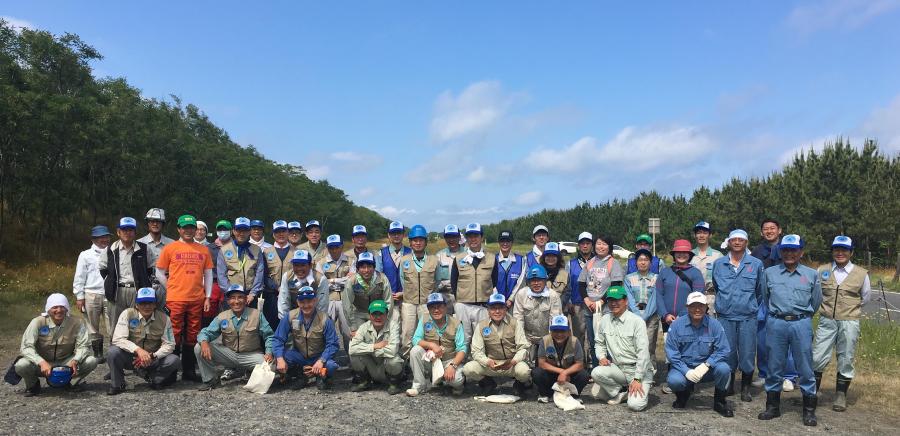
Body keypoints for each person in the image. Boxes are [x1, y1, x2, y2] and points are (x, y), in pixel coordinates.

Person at [758, 234, 822, 426]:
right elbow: (765, 296)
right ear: (780, 251)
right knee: (774, 364)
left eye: (794, 250)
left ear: (801, 252)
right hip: (776, 322)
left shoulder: (811, 275)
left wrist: (802, 318)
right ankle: (773, 407)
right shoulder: (770, 273)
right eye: (785, 250)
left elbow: (816, 301)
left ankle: (809, 410)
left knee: (804, 366)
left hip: (801, 323)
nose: (789, 254)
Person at [813, 235, 871, 412]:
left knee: (846, 357)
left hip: (849, 321)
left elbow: (865, 298)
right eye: (836, 249)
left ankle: (840, 395)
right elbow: (815, 293)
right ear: (832, 251)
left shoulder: (861, 274)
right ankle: (811, 392)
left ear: (851, 252)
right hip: (826, 320)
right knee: (817, 356)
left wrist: (849, 310)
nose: (840, 253)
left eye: (844, 250)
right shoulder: (822, 270)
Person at [155, 214, 214, 382]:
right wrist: (170, 286)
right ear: (179, 229)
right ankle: (171, 372)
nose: (188, 231)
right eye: (185, 228)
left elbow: (208, 273)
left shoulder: (203, 250)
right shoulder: (170, 248)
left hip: (197, 299)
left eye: (191, 228)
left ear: (195, 230)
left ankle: (189, 371)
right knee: (174, 333)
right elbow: (159, 271)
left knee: (193, 334)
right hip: (175, 298)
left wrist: (208, 296)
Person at [712, 228, 766, 402]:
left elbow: (760, 290)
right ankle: (729, 386)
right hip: (725, 316)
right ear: (728, 242)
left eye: (740, 240)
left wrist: (750, 306)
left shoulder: (756, 264)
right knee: (727, 352)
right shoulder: (719, 264)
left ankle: (745, 388)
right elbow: (716, 286)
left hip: (747, 317)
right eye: (733, 239)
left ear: (746, 243)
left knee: (748, 352)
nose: (737, 242)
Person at [665, 291, 734, 417]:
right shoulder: (676, 326)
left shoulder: (715, 325)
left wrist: (707, 365)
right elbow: (672, 353)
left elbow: (724, 349)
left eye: (701, 306)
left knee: (724, 369)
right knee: (674, 381)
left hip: (707, 369)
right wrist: (686, 371)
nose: (697, 309)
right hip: (684, 368)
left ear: (706, 307)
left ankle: (720, 402)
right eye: (693, 306)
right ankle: (683, 395)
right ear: (687, 307)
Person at [194, 284, 275, 391]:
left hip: (251, 355)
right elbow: (206, 332)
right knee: (199, 347)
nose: (236, 301)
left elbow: (269, 335)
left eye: (240, 297)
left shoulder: (256, 315)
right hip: (229, 355)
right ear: (228, 301)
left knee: (270, 365)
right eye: (232, 298)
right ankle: (211, 380)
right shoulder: (222, 316)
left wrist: (269, 352)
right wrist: (204, 342)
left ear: (246, 299)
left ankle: (251, 373)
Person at [15, 294, 98, 396]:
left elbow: (84, 345)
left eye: (62, 307)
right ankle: (33, 385)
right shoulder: (37, 322)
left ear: (67, 309)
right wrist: (41, 362)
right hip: (42, 363)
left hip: (66, 362)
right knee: (21, 365)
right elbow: (26, 347)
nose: (59, 310)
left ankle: (71, 382)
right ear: (48, 310)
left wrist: (76, 360)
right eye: (55, 307)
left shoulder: (77, 322)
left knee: (91, 361)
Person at [750, 219, 798, 390]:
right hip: (762, 299)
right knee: (762, 339)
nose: (769, 231)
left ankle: (789, 376)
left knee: (787, 339)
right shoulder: (756, 251)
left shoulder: (789, 247)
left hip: (784, 299)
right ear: (762, 232)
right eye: (765, 229)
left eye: (772, 228)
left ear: (780, 230)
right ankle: (764, 373)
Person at [107, 287, 179, 395]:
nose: (147, 306)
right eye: (143, 303)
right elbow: (118, 339)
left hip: (152, 358)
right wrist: (138, 351)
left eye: (150, 303)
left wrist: (153, 356)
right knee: (112, 352)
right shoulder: (127, 314)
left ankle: (153, 378)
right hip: (131, 357)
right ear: (136, 305)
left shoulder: (165, 318)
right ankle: (118, 384)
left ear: (155, 304)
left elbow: (170, 344)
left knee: (174, 360)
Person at [591, 285, 652, 411]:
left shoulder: (637, 321)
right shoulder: (604, 320)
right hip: (618, 368)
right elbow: (599, 343)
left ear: (626, 301)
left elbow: (643, 353)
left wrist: (638, 378)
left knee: (635, 405)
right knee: (596, 372)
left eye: (617, 300)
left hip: (637, 370)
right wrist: (601, 357)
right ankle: (620, 391)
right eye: (610, 300)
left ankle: (633, 389)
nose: (614, 303)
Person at [463, 293, 532, 396]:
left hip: (511, 363)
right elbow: (476, 351)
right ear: (488, 310)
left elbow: (523, 348)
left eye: (500, 308)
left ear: (505, 309)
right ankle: (488, 383)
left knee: (524, 371)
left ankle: (519, 384)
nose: (497, 311)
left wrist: (514, 361)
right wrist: (487, 361)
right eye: (493, 308)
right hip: (491, 364)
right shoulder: (481, 326)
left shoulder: (515, 323)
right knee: (468, 369)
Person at [273, 287, 339, 389]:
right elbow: (278, 339)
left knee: (331, 366)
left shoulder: (325, 319)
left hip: (318, 356)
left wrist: (321, 360)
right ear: (298, 302)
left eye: (309, 301)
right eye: (302, 302)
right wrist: (280, 358)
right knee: (279, 358)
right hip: (300, 356)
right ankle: (301, 375)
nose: (306, 305)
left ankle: (321, 377)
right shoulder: (290, 316)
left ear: (315, 301)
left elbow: (333, 344)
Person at [99, 217, 153, 343]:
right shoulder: (110, 250)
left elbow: (150, 270)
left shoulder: (144, 249)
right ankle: (115, 351)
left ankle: (136, 350)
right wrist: (111, 283)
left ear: (135, 232)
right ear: (118, 232)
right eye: (124, 230)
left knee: (136, 321)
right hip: (117, 291)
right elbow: (103, 270)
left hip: (137, 290)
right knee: (115, 323)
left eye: (130, 230)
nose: (127, 233)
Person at [576, 234, 625, 365]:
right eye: (598, 243)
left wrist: (601, 301)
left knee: (608, 340)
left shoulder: (613, 263)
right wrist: (586, 300)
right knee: (593, 341)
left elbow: (616, 285)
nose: (601, 246)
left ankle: (609, 368)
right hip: (589, 309)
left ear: (609, 247)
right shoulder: (590, 263)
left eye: (604, 244)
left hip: (606, 310)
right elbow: (581, 283)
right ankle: (595, 368)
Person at [407, 293, 466, 396]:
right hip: (431, 359)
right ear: (428, 309)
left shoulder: (456, 323)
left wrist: (453, 365)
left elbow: (462, 349)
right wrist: (431, 345)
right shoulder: (424, 319)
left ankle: (458, 385)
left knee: (456, 380)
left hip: (449, 360)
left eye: (439, 306)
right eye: (432, 307)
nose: (436, 310)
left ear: (445, 307)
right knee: (415, 350)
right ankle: (418, 386)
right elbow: (416, 339)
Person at [451, 223, 498, 344]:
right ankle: (463, 362)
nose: (473, 239)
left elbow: (495, 281)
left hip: (483, 306)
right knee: (463, 339)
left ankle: (480, 362)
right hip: (463, 305)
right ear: (466, 238)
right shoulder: (458, 258)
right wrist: (461, 300)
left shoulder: (491, 258)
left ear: (481, 237)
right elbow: (453, 282)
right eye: (470, 236)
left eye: (476, 236)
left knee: (483, 339)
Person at [73, 225, 112, 364]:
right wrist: (79, 296)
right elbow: (79, 276)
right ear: (93, 239)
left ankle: (114, 353)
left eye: (106, 236)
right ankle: (98, 353)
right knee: (92, 326)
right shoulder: (85, 255)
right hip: (91, 294)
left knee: (112, 325)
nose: (104, 239)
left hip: (110, 294)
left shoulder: (114, 252)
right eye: (101, 237)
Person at [398, 224, 439, 356]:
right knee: (407, 334)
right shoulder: (404, 260)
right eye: (415, 240)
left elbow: (437, 281)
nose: (418, 243)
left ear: (426, 242)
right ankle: (405, 363)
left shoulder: (434, 260)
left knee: (428, 333)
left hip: (427, 304)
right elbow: (402, 280)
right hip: (409, 302)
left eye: (421, 240)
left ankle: (427, 362)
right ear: (410, 242)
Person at [348, 299, 405, 394]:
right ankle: (364, 382)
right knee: (354, 355)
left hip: (385, 364)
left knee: (394, 359)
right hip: (372, 364)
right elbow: (352, 349)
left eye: (381, 314)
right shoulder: (363, 327)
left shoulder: (393, 326)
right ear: (369, 316)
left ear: (386, 315)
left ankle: (393, 384)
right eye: (374, 314)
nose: (378, 317)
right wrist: (375, 346)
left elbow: (392, 350)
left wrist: (367, 349)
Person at [532, 315, 589, 403]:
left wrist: (566, 373)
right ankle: (546, 394)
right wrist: (561, 372)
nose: (559, 334)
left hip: (569, 377)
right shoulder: (544, 340)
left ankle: (573, 395)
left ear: (569, 331)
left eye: (562, 331)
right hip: (551, 375)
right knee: (536, 372)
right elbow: (542, 363)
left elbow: (579, 364)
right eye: (555, 330)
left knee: (584, 375)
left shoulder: (575, 341)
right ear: (551, 331)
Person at [512, 265, 563, 359]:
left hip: (547, 336)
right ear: (528, 282)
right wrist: (522, 342)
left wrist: (549, 343)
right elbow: (518, 320)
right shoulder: (521, 294)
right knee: (524, 365)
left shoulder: (553, 296)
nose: (536, 283)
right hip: (527, 337)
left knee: (547, 365)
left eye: (539, 280)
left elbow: (554, 321)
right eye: (533, 280)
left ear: (545, 281)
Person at [624, 248, 659, 379]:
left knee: (649, 345)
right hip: (633, 316)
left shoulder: (657, 278)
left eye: (646, 260)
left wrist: (645, 316)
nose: (643, 262)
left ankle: (651, 372)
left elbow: (655, 299)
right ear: (636, 262)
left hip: (651, 317)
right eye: (640, 260)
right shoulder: (628, 278)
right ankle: (634, 373)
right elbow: (629, 298)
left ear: (650, 262)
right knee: (633, 344)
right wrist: (638, 316)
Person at [316, 234, 353, 355]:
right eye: (331, 247)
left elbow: (352, 281)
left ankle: (352, 359)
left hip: (346, 300)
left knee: (348, 332)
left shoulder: (351, 261)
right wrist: (340, 281)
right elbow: (320, 283)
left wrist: (330, 281)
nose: (334, 250)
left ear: (342, 246)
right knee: (326, 330)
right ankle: (326, 359)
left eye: (337, 246)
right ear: (327, 247)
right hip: (328, 300)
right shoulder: (321, 263)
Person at [217, 217, 265, 305]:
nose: (241, 234)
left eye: (245, 230)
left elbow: (259, 273)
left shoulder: (257, 250)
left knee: (251, 318)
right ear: (234, 231)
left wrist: (253, 293)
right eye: (239, 230)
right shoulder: (224, 250)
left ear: (249, 232)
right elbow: (221, 275)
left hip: (250, 295)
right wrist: (232, 294)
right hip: (231, 294)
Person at [342, 252, 394, 334]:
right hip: (359, 313)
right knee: (359, 337)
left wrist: (386, 322)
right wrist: (353, 327)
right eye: (363, 267)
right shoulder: (351, 281)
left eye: (369, 267)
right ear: (358, 268)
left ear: (374, 267)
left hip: (378, 312)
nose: (366, 270)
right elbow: (347, 305)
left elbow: (389, 302)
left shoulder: (382, 279)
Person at [277, 249, 328, 319]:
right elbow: (283, 302)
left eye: (302, 265)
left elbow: (322, 306)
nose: (299, 269)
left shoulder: (321, 279)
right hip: (292, 316)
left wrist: (318, 322)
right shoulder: (287, 277)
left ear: (310, 265)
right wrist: (285, 322)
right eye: (296, 265)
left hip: (314, 317)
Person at [261, 220, 294, 327]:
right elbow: (264, 274)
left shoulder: (296, 252)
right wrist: (276, 287)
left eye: (283, 231)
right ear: (273, 234)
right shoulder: (266, 252)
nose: (281, 234)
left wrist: (286, 288)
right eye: (277, 232)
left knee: (290, 324)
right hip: (271, 294)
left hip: (291, 294)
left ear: (288, 233)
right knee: (271, 324)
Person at [138, 208, 175, 303]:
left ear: (163, 224)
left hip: (167, 286)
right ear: (148, 223)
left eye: (158, 221)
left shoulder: (172, 244)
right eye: (152, 221)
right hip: (145, 286)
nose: (155, 224)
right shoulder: (139, 244)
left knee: (167, 316)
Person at [568, 231, 594, 364]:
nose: (585, 246)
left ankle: (591, 362)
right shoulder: (571, 264)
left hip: (593, 304)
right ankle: (580, 362)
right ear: (579, 246)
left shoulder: (598, 262)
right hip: (577, 304)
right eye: (582, 243)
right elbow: (568, 284)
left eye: (587, 243)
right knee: (578, 336)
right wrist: (569, 302)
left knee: (592, 335)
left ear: (592, 245)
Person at [690, 221, 723, 312]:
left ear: (710, 235)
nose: (701, 235)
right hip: (692, 297)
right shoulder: (688, 255)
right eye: (699, 233)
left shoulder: (718, 256)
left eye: (705, 233)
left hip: (711, 298)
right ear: (694, 235)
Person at [378, 221, 412, 302]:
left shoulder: (411, 252)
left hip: (408, 299)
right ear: (389, 235)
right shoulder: (381, 253)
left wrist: (404, 293)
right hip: (387, 299)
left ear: (403, 235)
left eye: (399, 233)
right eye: (393, 233)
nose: (396, 236)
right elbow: (378, 277)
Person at [495, 230, 526, 304]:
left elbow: (521, 282)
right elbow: (490, 282)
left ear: (512, 243)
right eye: (502, 241)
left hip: (515, 303)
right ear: (499, 242)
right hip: (496, 303)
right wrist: (497, 299)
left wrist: (511, 299)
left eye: (508, 241)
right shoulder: (492, 259)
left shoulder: (521, 260)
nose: (505, 243)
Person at [435, 224, 464, 297]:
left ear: (459, 237)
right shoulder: (439, 256)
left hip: (464, 295)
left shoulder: (468, 254)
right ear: (445, 238)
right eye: (448, 237)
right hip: (445, 296)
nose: (451, 240)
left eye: (454, 236)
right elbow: (435, 279)